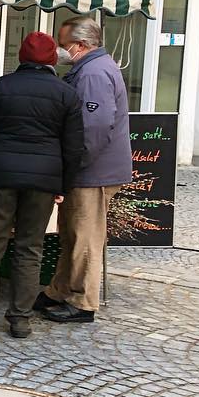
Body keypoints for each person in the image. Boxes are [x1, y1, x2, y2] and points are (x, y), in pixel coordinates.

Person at [0, 31, 85, 338]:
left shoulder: (1, 86)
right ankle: (19, 320)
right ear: (51, 60)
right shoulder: (66, 93)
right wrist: (63, 185)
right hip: (44, 180)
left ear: (22, 57)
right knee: (30, 249)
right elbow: (74, 148)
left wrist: (0, 140)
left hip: (0, 175)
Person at [35, 16, 132, 324]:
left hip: (92, 171)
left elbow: (94, 128)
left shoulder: (93, 73)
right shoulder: (90, 69)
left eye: (64, 45)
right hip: (90, 168)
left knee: (85, 236)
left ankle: (83, 301)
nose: (62, 51)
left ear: (81, 45)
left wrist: (73, 167)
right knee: (72, 233)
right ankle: (60, 290)